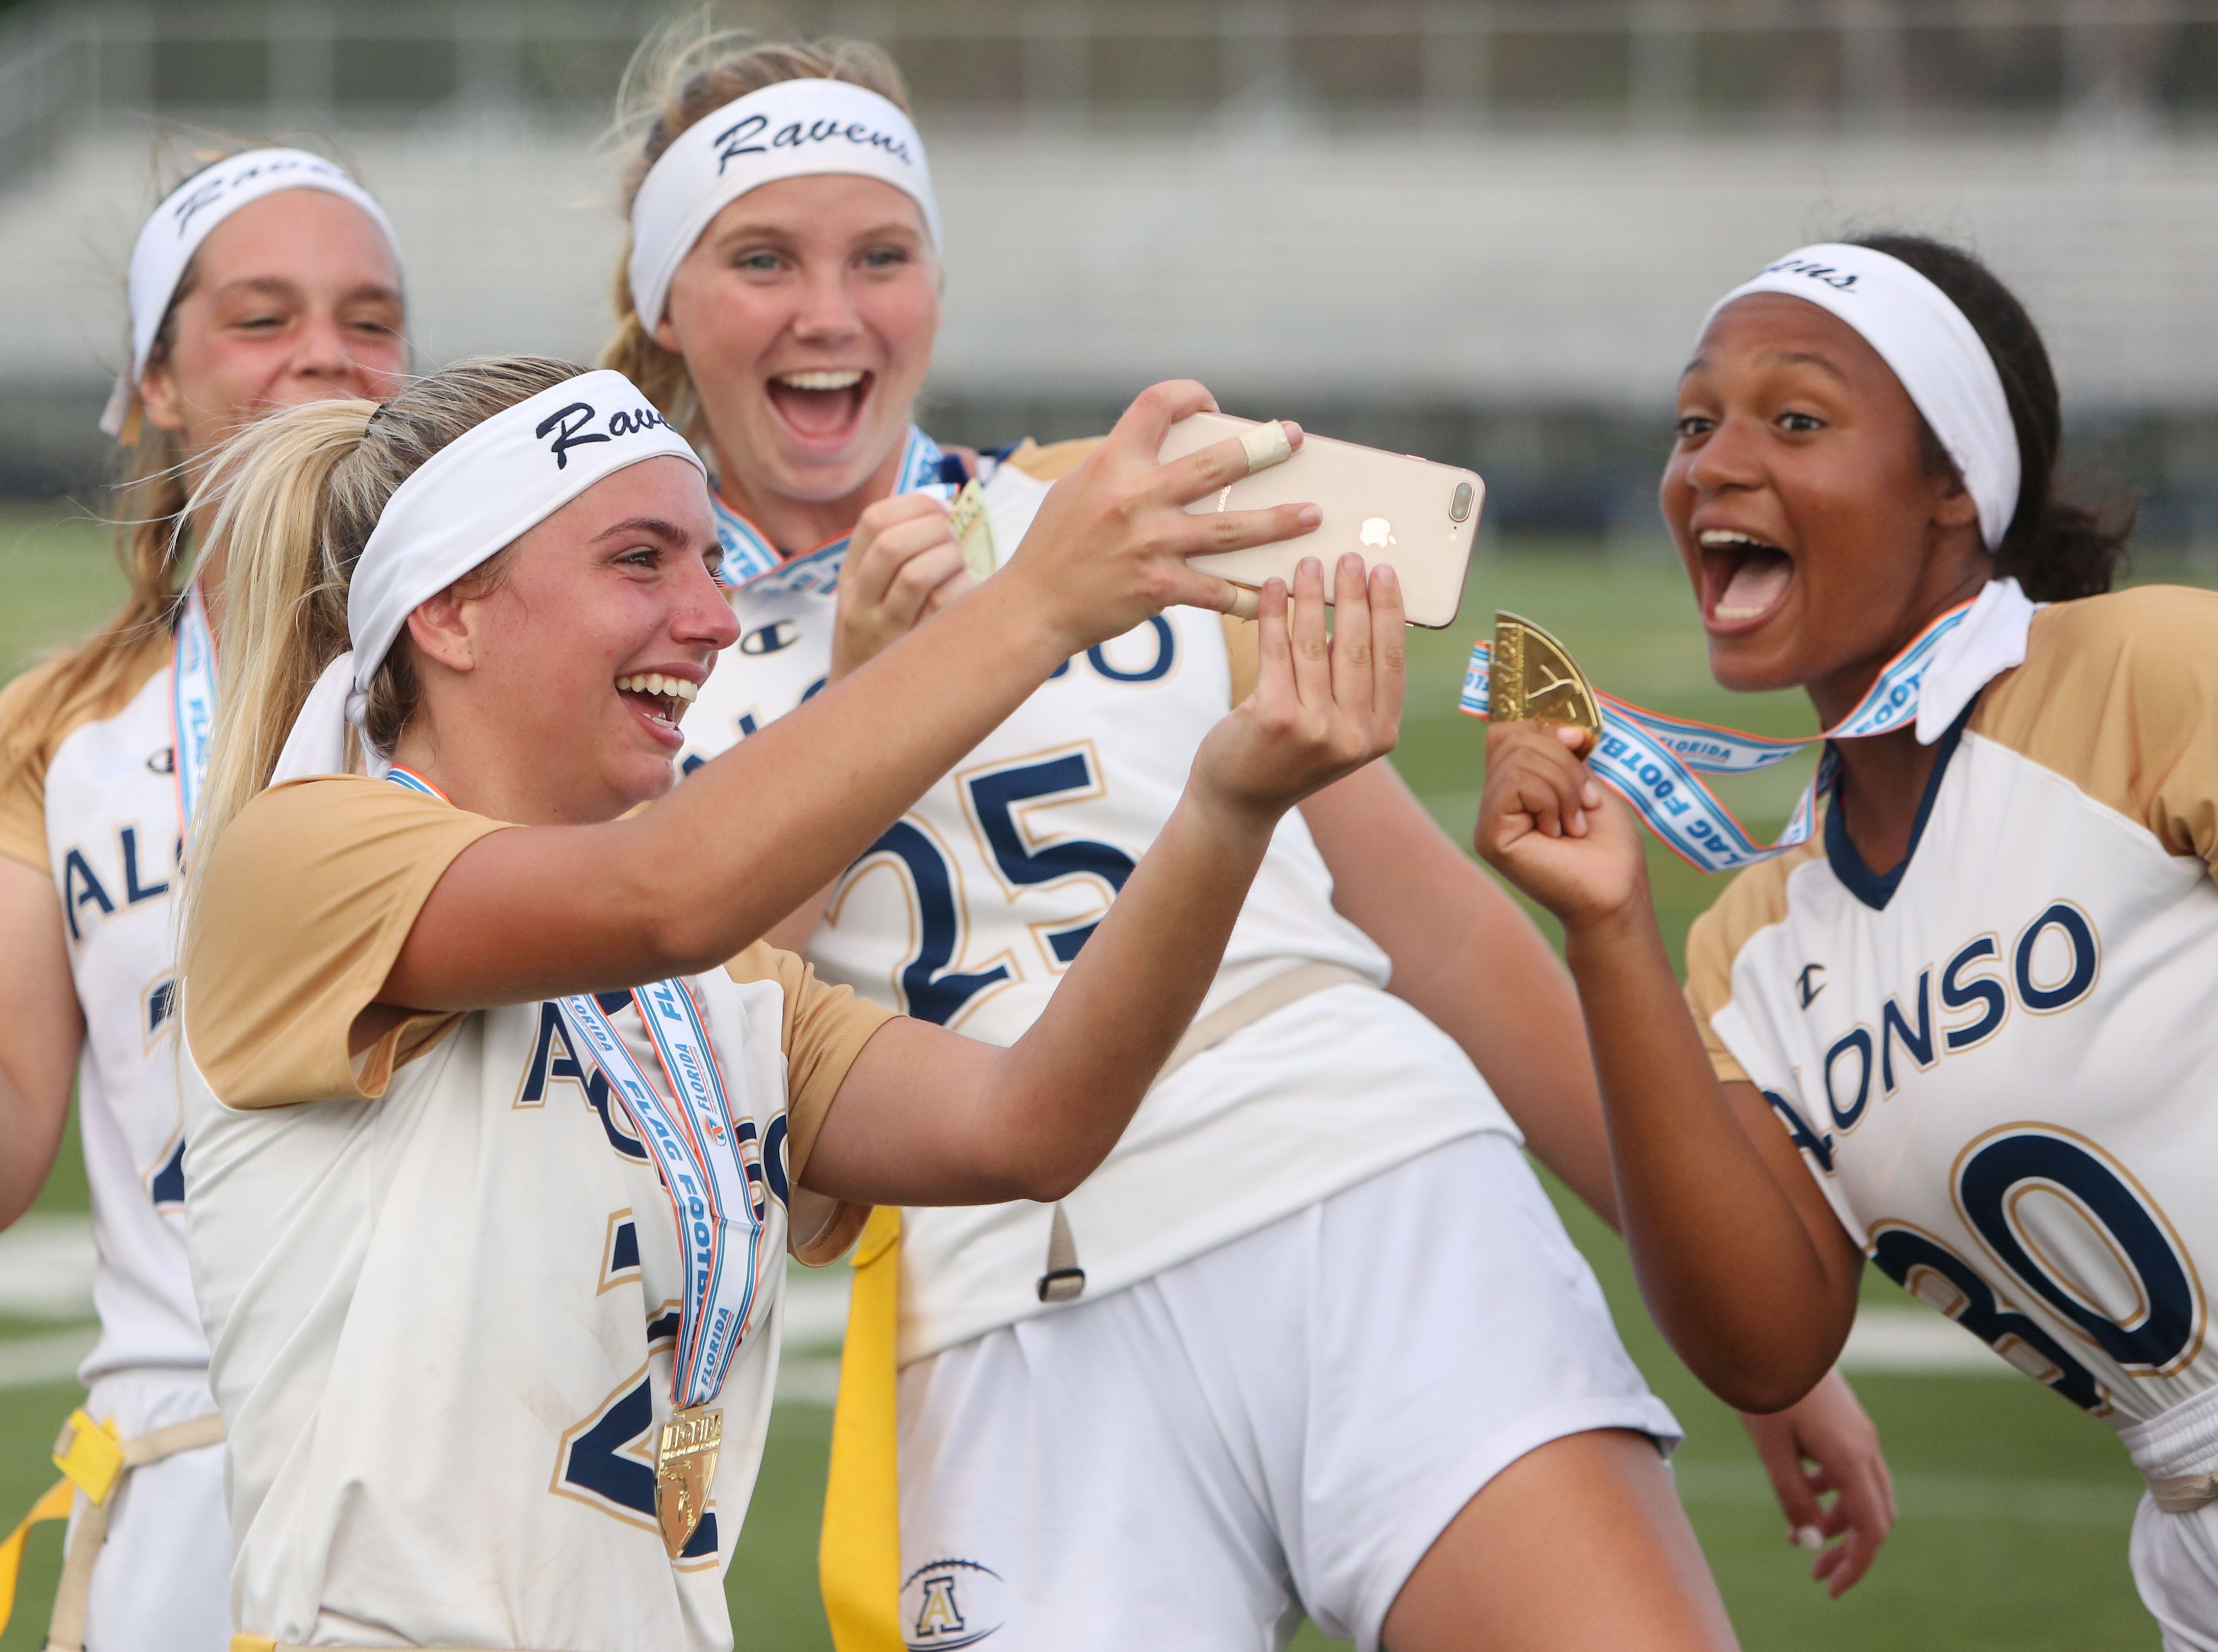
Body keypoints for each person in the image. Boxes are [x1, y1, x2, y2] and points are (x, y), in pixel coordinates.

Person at [600, 29, 1894, 1651]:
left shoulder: (1120, 505)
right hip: (1009, 1316)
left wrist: (1744, 1312)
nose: (830, 311)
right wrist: (870, 706)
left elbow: (1444, 942)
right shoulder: (618, 648)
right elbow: (683, 1053)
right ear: (664, 302)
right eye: (761, 260)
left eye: (883, 254)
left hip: (1367, 1180)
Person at [138, 351, 1397, 1651]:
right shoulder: (299, 859)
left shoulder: (718, 988)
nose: (714, 619)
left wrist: (1229, 805)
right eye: (641, 561)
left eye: (705, 562)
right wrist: (1034, 609)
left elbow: (1031, 1125)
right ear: (451, 614)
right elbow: (664, 891)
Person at [1478, 234, 2218, 1643]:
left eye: (1794, 418)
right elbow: (1764, 1343)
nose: (1712, 464)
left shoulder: (2146, 674)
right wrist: (1611, 934)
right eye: (1695, 423)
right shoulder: (1756, 932)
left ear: (1956, 487)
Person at [0, 148, 407, 1650]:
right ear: (155, 381)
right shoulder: (61, 728)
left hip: (449, 1443)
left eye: (371, 317)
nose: (326, 354)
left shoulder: (488, 663)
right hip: (179, 1472)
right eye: (262, 318)